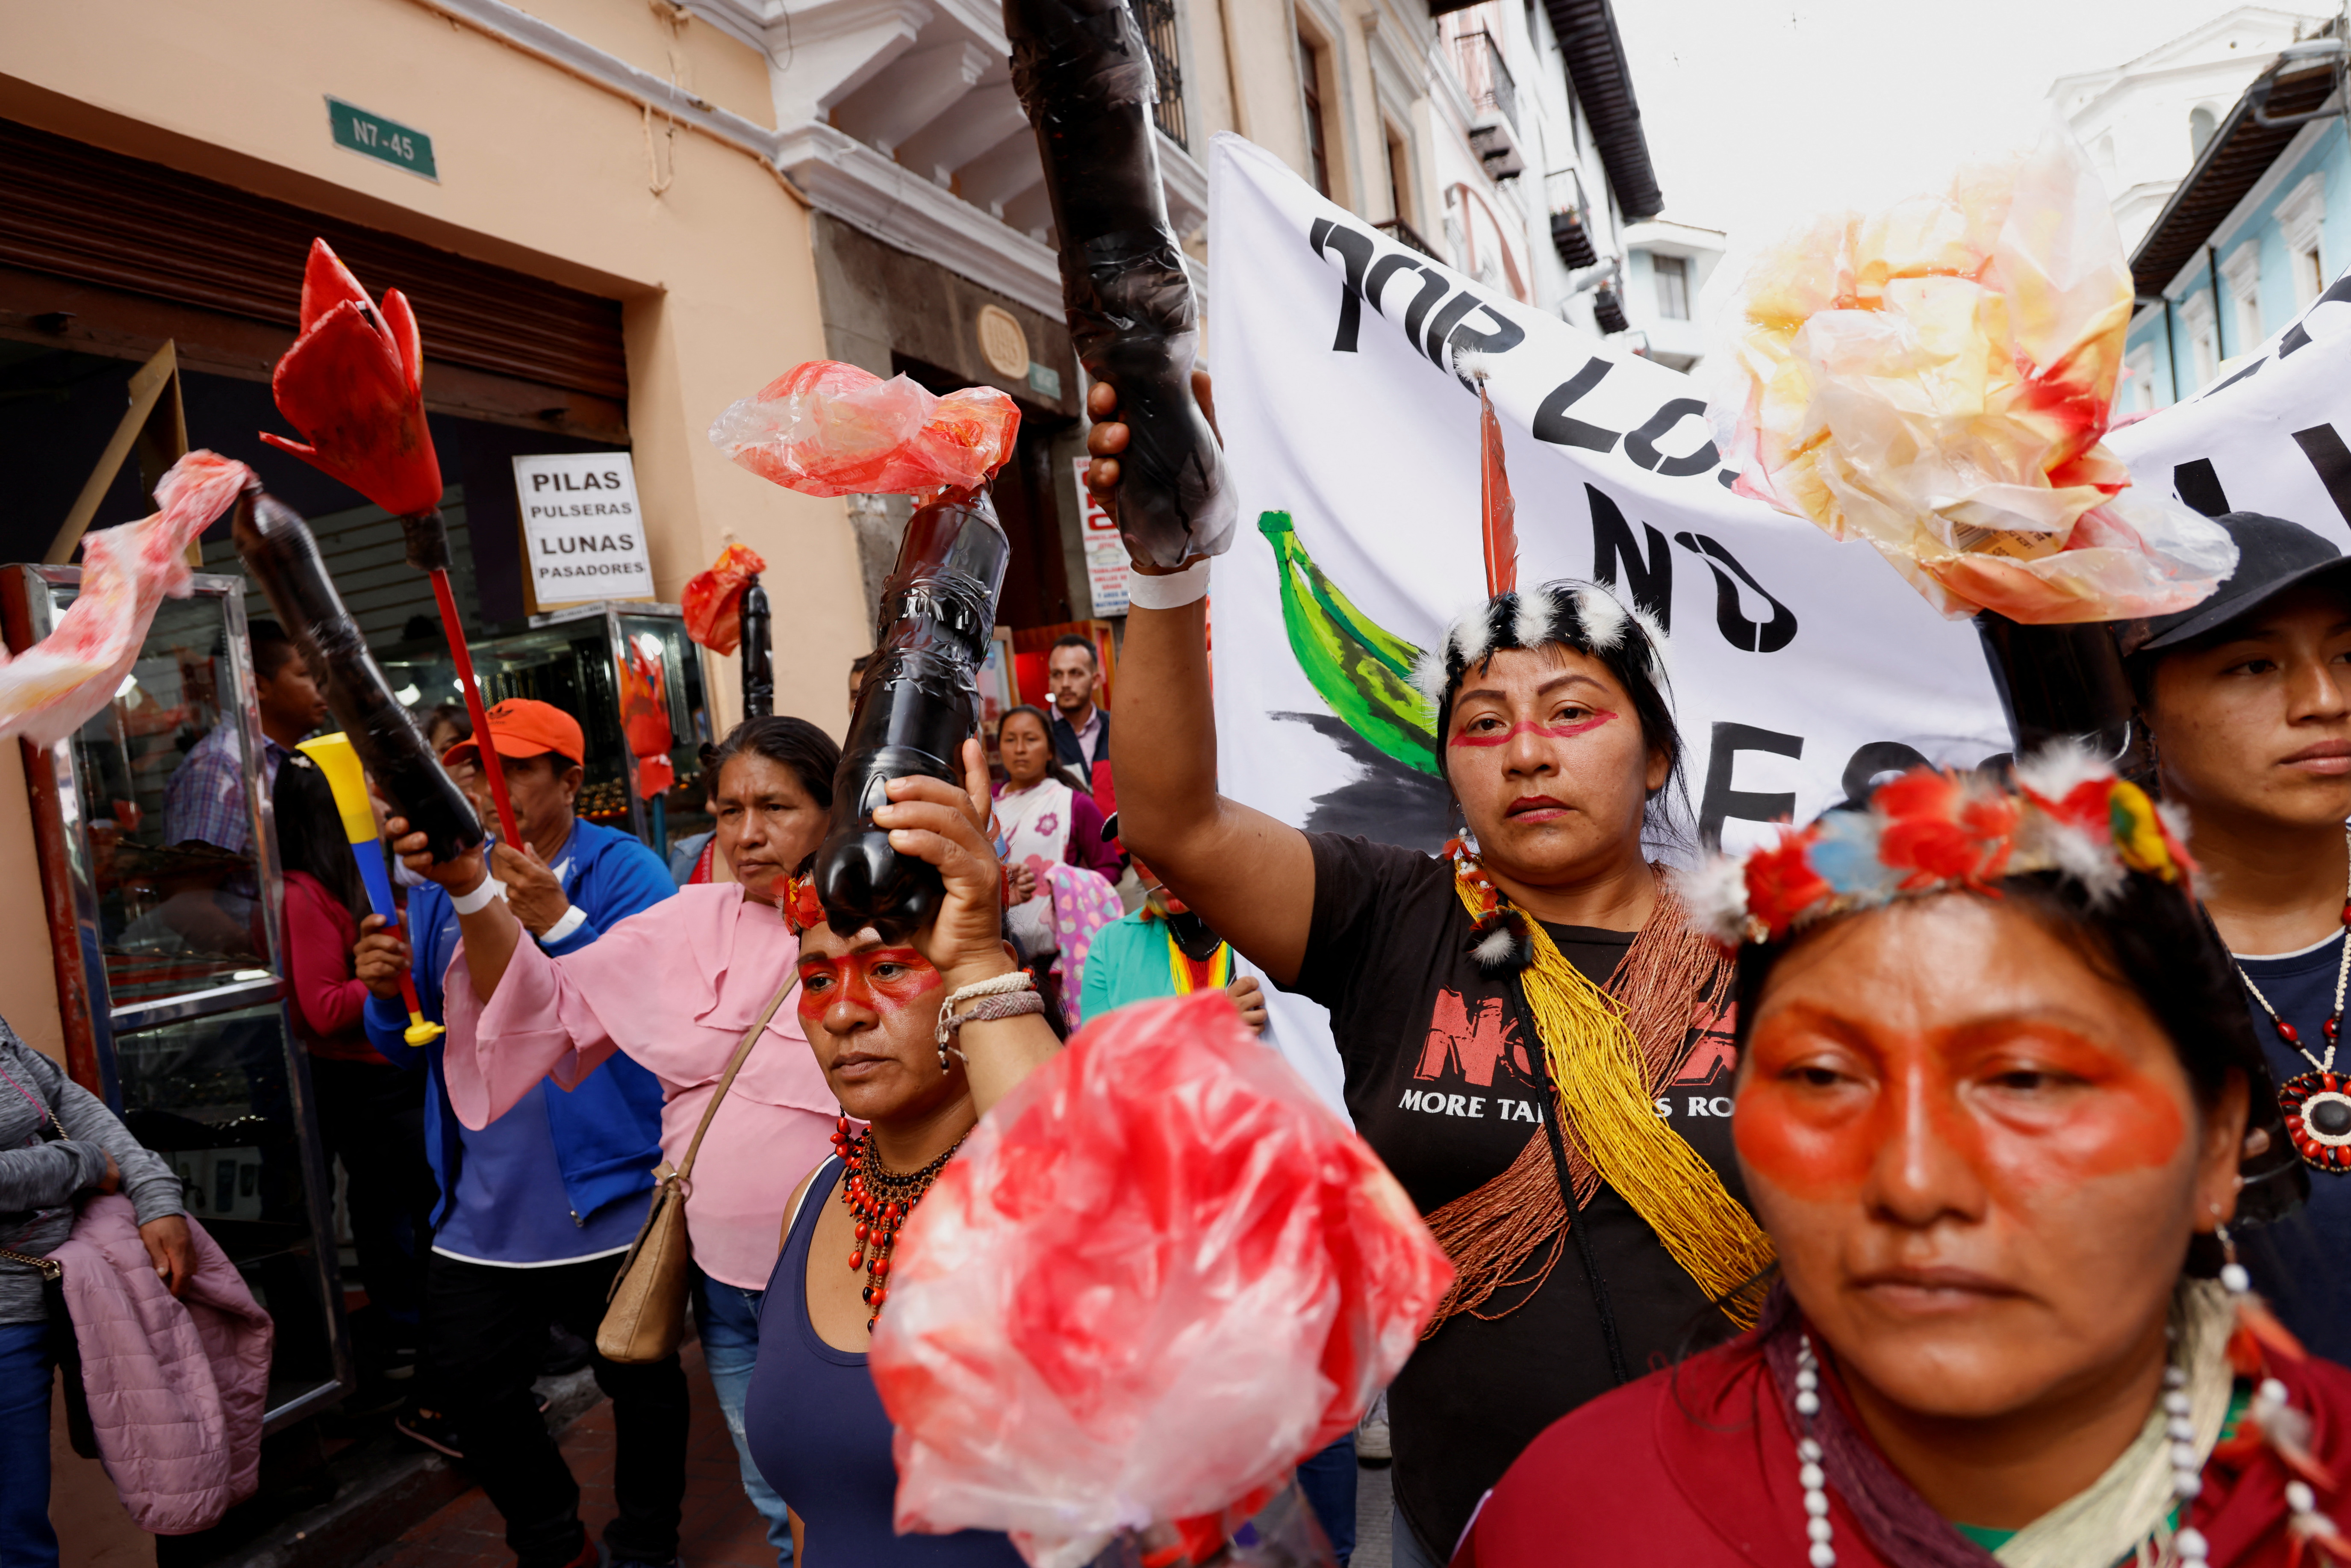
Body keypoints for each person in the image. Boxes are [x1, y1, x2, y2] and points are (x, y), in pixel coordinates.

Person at [1090, 382, 1767, 1566]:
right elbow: (1172, 823)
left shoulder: (1767, 945)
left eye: (1570, 711)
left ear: (1654, 751)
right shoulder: (1388, 914)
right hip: (1462, 1526)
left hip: (1739, 1513)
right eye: (1484, 723)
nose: (1529, 753)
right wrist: (1164, 570)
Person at [1455, 757, 2331, 1567]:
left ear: (2219, 1140)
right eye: (1821, 1076)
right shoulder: (1575, 1521)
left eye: (2023, 1079)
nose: (1913, 1183)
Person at [427, 715, 846, 1567]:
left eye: (774, 806)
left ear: (833, 811)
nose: (747, 834)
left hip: (848, 1269)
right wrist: (473, 893)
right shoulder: (690, 917)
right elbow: (555, 1003)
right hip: (727, 1283)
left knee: (859, 1483)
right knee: (776, 1496)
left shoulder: (876, 918)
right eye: (728, 810)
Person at [355, 697, 685, 1568]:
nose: (484, 788)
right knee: (470, 1385)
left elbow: (647, 1011)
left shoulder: (625, 869)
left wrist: (549, 918)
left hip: (606, 1194)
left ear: (571, 780)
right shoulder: (436, 888)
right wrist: (387, 995)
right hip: (480, 1206)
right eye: (471, 769)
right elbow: (408, 1046)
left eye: (513, 770)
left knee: (641, 1381)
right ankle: (552, 1541)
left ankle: (647, 1546)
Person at [744, 737, 1061, 1568]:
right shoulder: (809, 1203)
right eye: (816, 979)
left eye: (886, 966)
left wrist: (978, 954)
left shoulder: (1029, 1188)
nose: (843, 1012)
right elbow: (813, 1506)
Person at [2124, 510, 2351, 1365]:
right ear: (2136, 704)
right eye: (2251, 665)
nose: (2323, 701)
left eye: (2347, 655)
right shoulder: (2092, 968)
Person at [1, 1012, 196, 1568]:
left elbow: (65, 1100)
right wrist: (84, 1163)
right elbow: (82, 1148)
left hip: (67, 1286)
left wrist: (154, 1192)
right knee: (13, 1539)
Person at [272, 752, 436, 1387]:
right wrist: (391, 981)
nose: (380, 797)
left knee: (413, 1209)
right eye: (365, 787)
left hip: (396, 1069)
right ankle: (408, 1338)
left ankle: (423, 1336)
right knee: (393, 1214)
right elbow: (319, 1008)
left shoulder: (361, 877)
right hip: (365, 1084)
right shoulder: (303, 895)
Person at [994, 705, 1122, 1023]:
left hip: (1059, 956)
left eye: (1031, 739)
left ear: (1050, 748)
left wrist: (1065, 889)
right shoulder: (987, 806)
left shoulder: (1074, 803)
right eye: (1010, 740)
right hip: (1002, 949)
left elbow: (1109, 867)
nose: (1020, 749)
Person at [164, 620, 328, 855]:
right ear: (258, 687)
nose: (320, 687)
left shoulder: (307, 749)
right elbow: (195, 889)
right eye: (305, 674)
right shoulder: (219, 768)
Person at [1046, 634, 1110, 775]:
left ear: (1095, 681)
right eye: (1057, 674)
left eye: (1075, 673)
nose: (1065, 684)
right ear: (1050, 681)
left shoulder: (1117, 728)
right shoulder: (1038, 733)